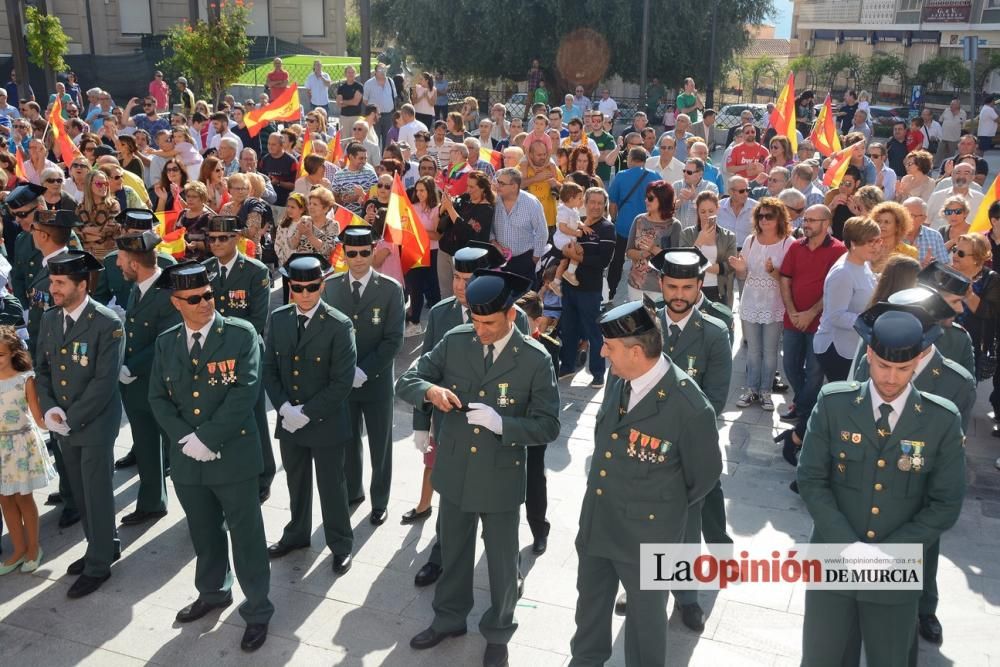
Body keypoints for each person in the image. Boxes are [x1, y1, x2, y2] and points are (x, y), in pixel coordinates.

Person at [397, 268, 560, 667]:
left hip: (501, 476)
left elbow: (549, 425)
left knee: (503, 562)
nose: (480, 329)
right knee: (453, 551)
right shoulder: (456, 342)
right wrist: (430, 391)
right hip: (454, 471)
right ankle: (449, 618)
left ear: (510, 316)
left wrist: (503, 423)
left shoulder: (535, 359)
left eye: (489, 322)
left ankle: (499, 631)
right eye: (474, 319)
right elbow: (408, 380)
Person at [797, 308, 966, 667]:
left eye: (903, 369)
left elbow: (945, 504)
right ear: (869, 355)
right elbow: (811, 479)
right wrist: (848, 545)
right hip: (834, 558)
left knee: (890, 656)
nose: (891, 378)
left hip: (897, 567)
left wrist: (887, 554)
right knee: (822, 656)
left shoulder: (941, 419)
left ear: (919, 360)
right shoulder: (833, 403)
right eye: (883, 366)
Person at [568, 300, 721, 666]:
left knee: (646, 630)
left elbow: (703, 479)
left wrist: (655, 506)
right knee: (588, 616)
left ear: (636, 352)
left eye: (610, 347)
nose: (603, 352)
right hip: (599, 524)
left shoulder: (689, 406)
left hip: (649, 538)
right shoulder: (619, 379)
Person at [148, 261, 273, 652]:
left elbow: (245, 392)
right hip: (188, 458)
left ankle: (257, 608)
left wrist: (209, 438)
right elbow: (157, 397)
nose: (205, 303)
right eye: (194, 299)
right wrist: (186, 438)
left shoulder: (240, 334)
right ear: (176, 303)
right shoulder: (167, 341)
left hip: (232, 455)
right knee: (203, 532)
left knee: (246, 535)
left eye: (208, 296)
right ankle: (214, 591)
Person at [409, 243, 533, 583]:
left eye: (470, 279)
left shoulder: (515, 317)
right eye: (457, 277)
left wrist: (511, 424)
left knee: (504, 510)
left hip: (504, 428)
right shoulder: (441, 313)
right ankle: (440, 556)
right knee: (450, 497)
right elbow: (424, 372)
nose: (461, 286)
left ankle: (511, 569)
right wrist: (424, 424)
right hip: (454, 427)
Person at [262, 252, 357, 574]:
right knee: (296, 482)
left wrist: (308, 412)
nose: (304, 294)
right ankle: (297, 534)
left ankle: (341, 544)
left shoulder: (339, 325)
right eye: (298, 287)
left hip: (326, 421)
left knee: (332, 486)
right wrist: (285, 407)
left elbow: (342, 381)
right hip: (290, 419)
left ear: (322, 285)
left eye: (312, 287)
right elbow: (269, 368)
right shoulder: (279, 318)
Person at [37, 249, 123, 598]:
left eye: (60, 282)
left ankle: (100, 564)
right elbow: (42, 369)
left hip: (95, 424)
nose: (53, 288)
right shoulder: (49, 319)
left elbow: (104, 383)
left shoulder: (107, 323)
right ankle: (101, 545)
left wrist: (69, 417)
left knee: (96, 492)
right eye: (52, 281)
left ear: (82, 284)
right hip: (63, 424)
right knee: (80, 490)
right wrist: (49, 410)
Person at [322, 226, 404, 525]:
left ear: (373, 251)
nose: (358, 259)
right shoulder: (331, 287)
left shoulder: (390, 288)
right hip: (343, 382)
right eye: (352, 253)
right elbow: (325, 334)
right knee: (348, 440)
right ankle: (353, 491)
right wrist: (343, 372)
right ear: (344, 253)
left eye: (364, 253)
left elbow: (394, 339)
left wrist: (365, 370)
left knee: (380, 443)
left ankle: (380, 499)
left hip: (377, 381)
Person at [201, 216, 274, 503]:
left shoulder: (255, 272)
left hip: (245, 356)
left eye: (223, 238)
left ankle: (263, 475)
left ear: (237, 238)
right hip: (211, 356)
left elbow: (256, 321)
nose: (217, 243)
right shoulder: (204, 271)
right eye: (213, 238)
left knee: (253, 417)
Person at [110, 228, 180, 527]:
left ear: (135, 264)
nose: (117, 265)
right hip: (138, 388)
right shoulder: (136, 287)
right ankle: (153, 502)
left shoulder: (167, 294)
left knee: (174, 448)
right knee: (147, 446)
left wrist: (131, 367)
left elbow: (166, 339)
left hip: (160, 384)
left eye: (121, 260)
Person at [774, 204, 847, 458]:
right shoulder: (796, 246)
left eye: (812, 220)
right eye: (805, 219)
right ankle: (806, 406)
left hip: (820, 323)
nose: (806, 224)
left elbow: (834, 290)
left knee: (815, 371)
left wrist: (810, 313)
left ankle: (803, 410)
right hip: (792, 318)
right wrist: (793, 311)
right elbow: (785, 278)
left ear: (826, 223)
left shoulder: (840, 251)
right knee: (791, 366)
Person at [727, 198, 792, 410]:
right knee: (753, 350)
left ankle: (766, 391)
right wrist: (739, 268)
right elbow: (744, 273)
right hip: (750, 300)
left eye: (769, 216)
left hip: (774, 302)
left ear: (779, 218)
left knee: (770, 351)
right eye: (760, 216)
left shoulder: (787, 243)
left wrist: (773, 271)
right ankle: (751, 389)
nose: (764, 220)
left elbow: (789, 277)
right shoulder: (750, 240)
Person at [0, 325, 53, 576]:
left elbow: (37, 415)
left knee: (23, 498)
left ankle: (33, 548)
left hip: (20, 446)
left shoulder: (25, 379)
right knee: (4, 499)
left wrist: (58, 425)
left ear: (12, 352)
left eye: (0, 354)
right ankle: (18, 549)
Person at [813, 216, 881, 381]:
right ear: (853, 244)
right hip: (837, 349)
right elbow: (836, 316)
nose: (876, 246)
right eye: (870, 241)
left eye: (878, 240)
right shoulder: (842, 273)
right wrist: (872, 321)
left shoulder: (864, 263)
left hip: (853, 346)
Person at [608, 147, 659, 300]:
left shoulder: (621, 176)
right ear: (644, 160)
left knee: (617, 260)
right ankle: (646, 293)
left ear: (630, 159)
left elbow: (613, 204)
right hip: (647, 228)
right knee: (646, 260)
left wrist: (615, 219)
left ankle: (610, 292)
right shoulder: (655, 176)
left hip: (624, 226)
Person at [438, 171, 495, 298]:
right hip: (445, 249)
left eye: (472, 187)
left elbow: (466, 232)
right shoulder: (464, 199)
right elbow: (443, 217)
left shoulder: (487, 210)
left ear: (483, 188)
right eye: (467, 186)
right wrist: (444, 206)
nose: (468, 190)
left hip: (463, 256)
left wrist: (450, 208)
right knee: (445, 292)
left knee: (462, 293)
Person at [623, 180, 681, 302]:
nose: (646, 200)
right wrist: (641, 254)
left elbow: (676, 260)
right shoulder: (639, 220)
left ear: (663, 200)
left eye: (650, 198)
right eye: (646, 197)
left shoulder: (674, 225)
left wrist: (653, 249)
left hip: (661, 287)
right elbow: (628, 251)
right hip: (636, 285)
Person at [491, 167, 550, 281]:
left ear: (514, 186)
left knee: (524, 297)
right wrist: (493, 242)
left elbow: (542, 232)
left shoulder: (531, 202)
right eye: (497, 182)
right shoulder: (494, 200)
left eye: (502, 183)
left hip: (524, 260)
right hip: (499, 259)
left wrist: (534, 258)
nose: (497, 186)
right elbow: (488, 226)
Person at [679, 191, 738, 304]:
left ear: (717, 209)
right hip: (693, 289)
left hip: (719, 290)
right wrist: (699, 241)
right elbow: (684, 263)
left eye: (711, 211)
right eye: (703, 211)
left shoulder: (729, 236)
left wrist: (700, 265)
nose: (707, 215)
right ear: (697, 211)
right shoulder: (686, 234)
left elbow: (729, 267)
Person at [550, 182, 587, 294]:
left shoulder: (573, 209)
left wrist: (583, 225)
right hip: (562, 239)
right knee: (579, 251)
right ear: (571, 199)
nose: (582, 200)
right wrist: (576, 233)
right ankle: (570, 273)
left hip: (567, 239)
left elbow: (576, 221)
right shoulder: (563, 211)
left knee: (564, 262)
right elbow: (562, 228)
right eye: (579, 198)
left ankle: (555, 283)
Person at [870, 201, 918, 274]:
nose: (881, 225)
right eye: (878, 221)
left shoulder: (909, 252)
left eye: (887, 222)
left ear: (897, 226)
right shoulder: (868, 247)